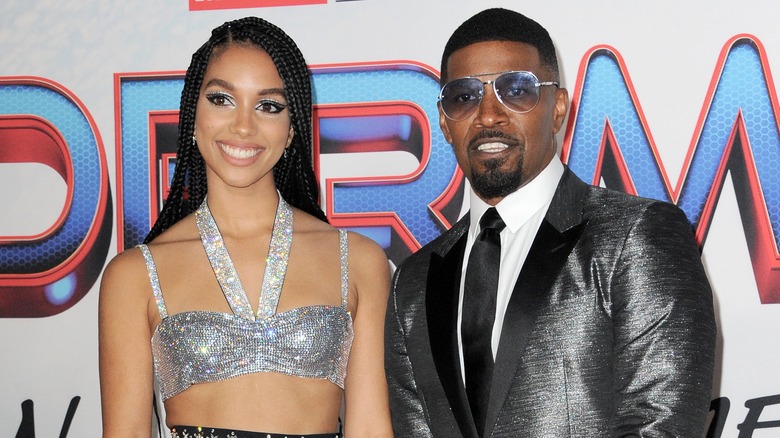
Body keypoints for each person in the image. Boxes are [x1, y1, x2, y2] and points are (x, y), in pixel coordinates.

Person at [385, 8, 716, 438]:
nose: (488, 115)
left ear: (557, 108)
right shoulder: (413, 282)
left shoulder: (637, 235)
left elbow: (662, 425)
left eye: (515, 90)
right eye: (464, 96)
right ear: (445, 122)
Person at [99, 16, 393, 438]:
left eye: (268, 106)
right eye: (222, 100)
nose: (243, 126)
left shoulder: (360, 260)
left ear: (292, 129)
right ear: (192, 115)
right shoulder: (133, 276)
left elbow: (371, 429)